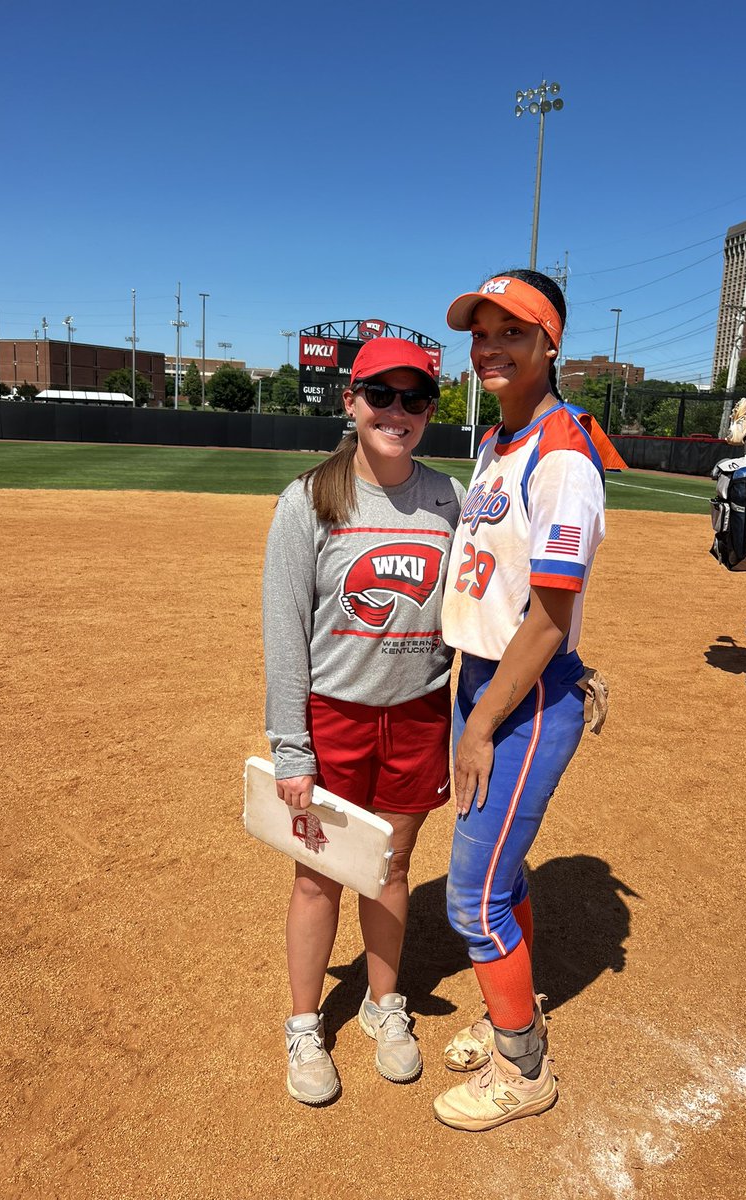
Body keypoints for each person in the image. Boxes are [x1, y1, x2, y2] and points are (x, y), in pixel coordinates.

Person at [262, 338, 464, 1105]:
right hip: (334, 717)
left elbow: (474, 612)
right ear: (351, 400)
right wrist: (292, 750)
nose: (399, 413)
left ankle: (384, 1005)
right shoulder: (309, 499)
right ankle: (306, 1024)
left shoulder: (449, 498)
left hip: (418, 714)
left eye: (416, 400)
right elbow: (285, 635)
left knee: (391, 866)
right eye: (383, 395)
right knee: (318, 875)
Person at [431, 269, 606, 1131]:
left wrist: (484, 722)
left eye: (511, 331)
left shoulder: (562, 456)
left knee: (471, 899)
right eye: (481, 332)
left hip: (524, 699)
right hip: (486, 689)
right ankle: (517, 1005)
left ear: (550, 344)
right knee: (501, 871)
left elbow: (546, 620)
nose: (489, 346)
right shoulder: (502, 442)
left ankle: (522, 1066)